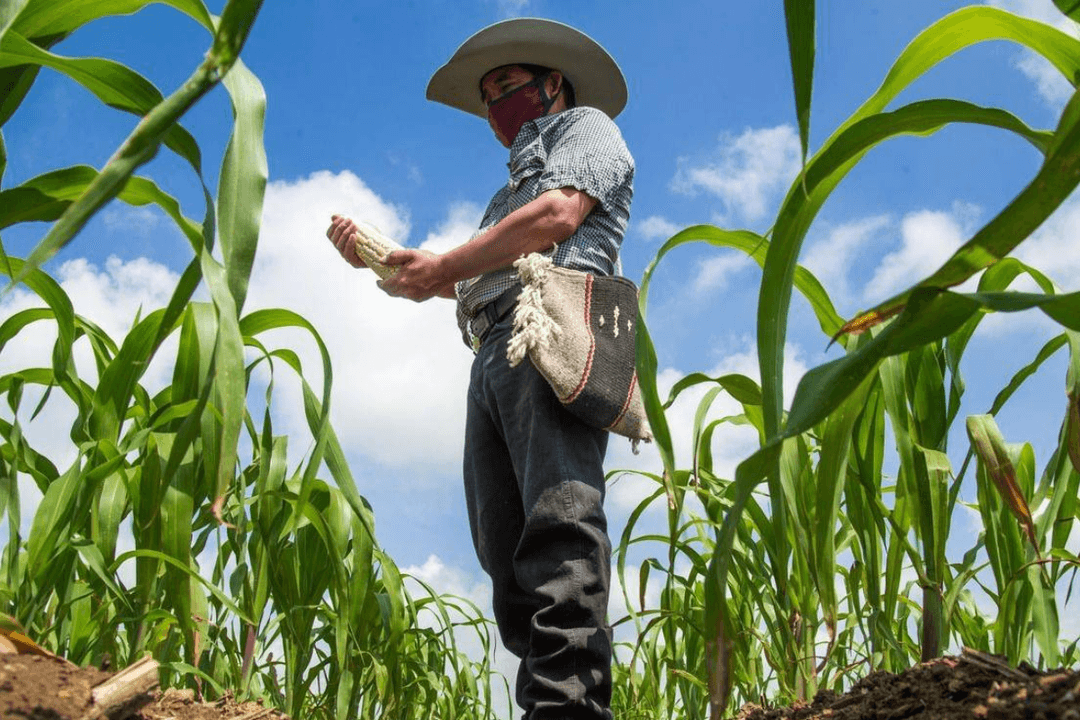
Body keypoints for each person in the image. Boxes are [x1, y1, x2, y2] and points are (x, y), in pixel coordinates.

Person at [325, 18, 633, 720]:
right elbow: (456, 278)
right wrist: (386, 261)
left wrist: (442, 265)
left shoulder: (588, 130)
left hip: (553, 327)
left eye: (508, 86)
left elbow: (557, 215)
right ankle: (544, 701)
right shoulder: (504, 200)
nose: (496, 104)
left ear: (552, 84)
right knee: (504, 539)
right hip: (493, 349)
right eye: (489, 95)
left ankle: (569, 708)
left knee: (559, 517)